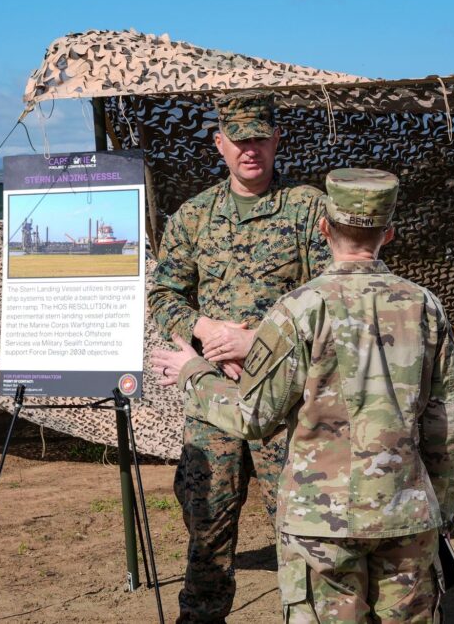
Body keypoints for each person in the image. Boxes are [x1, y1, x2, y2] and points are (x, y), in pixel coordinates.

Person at [153, 169, 454, 623]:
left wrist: (193, 373)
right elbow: (451, 430)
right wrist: (437, 510)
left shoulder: (299, 309)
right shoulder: (425, 305)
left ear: (324, 228)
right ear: (390, 232)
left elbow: (253, 415)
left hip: (320, 525)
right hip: (406, 513)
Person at [148, 90, 331, 622]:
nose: (250, 151)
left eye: (260, 139)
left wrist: (259, 343)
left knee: (298, 521)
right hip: (214, 398)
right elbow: (164, 295)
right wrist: (205, 330)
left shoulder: (307, 209)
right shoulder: (194, 217)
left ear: (277, 142)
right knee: (208, 519)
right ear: (219, 144)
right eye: (239, 140)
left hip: (287, 398)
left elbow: (331, 298)